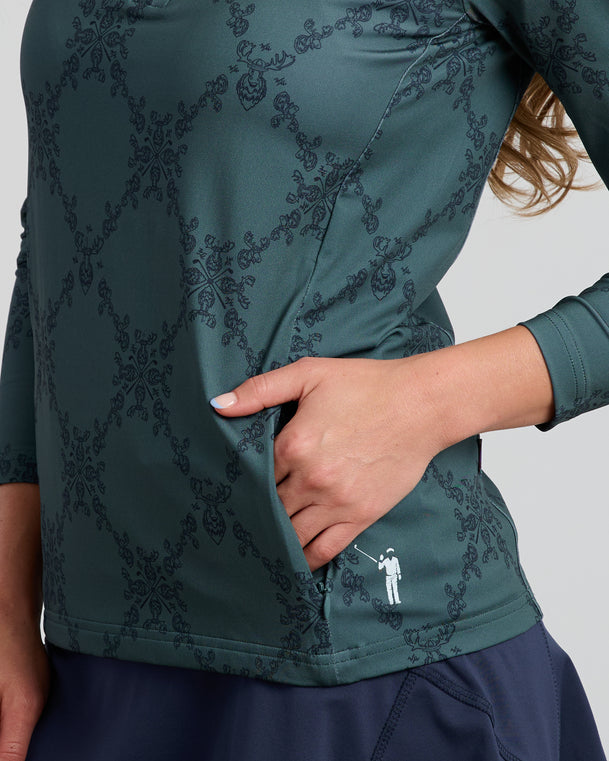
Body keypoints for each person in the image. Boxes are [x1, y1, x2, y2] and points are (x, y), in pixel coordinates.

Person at [0, 0, 607, 759]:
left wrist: (427, 402)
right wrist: (8, 612)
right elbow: (58, 242)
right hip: (92, 667)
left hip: (361, 657)